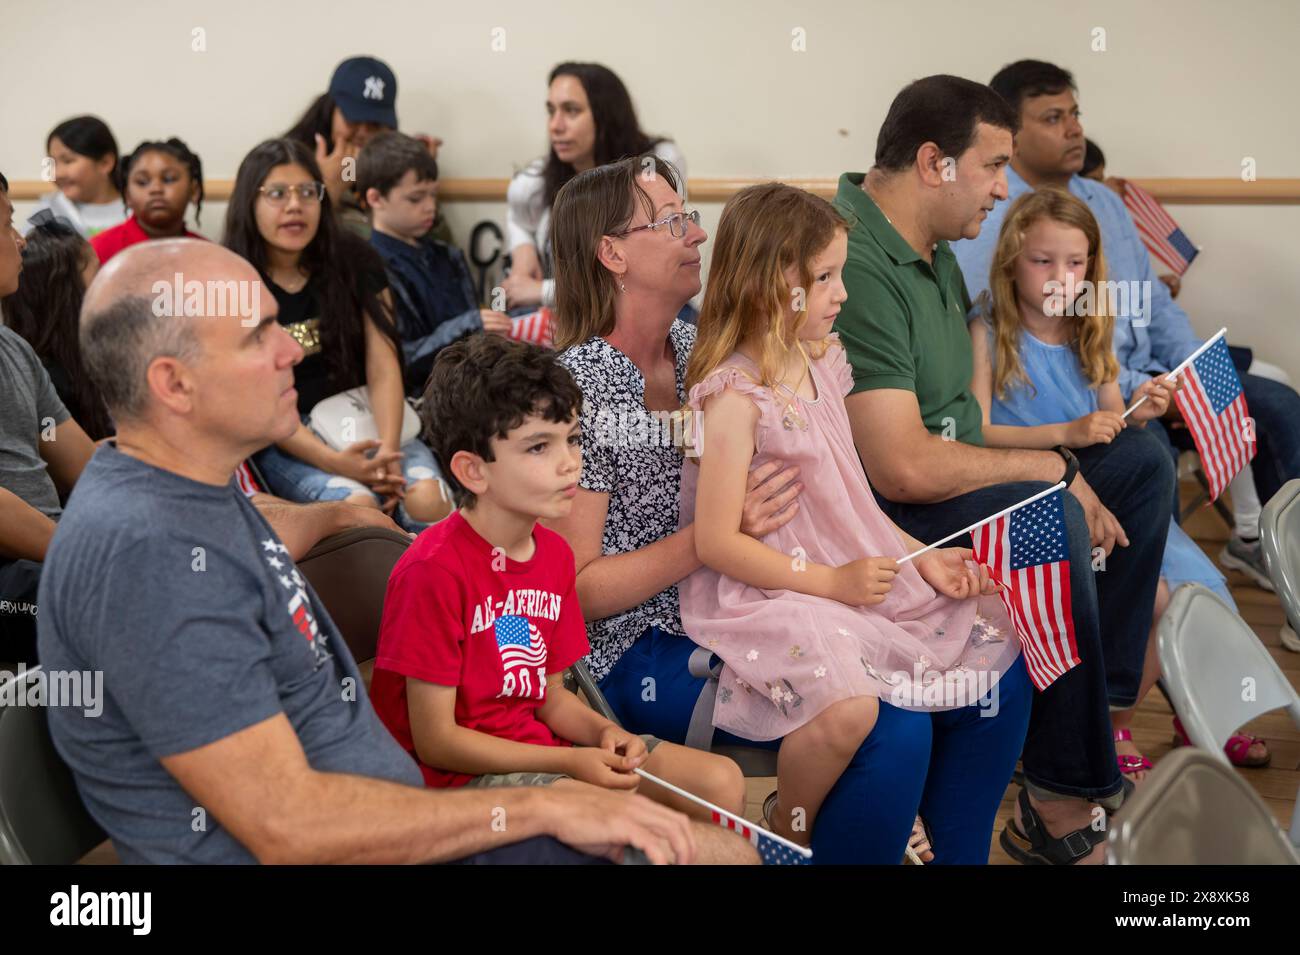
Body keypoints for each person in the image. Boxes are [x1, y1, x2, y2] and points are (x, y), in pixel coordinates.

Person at [38, 237, 718, 865]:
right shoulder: (149, 556)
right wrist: (543, 801)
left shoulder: (184, 487)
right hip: (371, 840)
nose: (293, 352)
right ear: (173, 384)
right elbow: (287, 825)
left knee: (710, 839)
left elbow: (256, 525)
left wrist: (341, 510)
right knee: (704, 852)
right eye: (256, 336)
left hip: (398, 820)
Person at [832, 75, 1175, 864]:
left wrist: (1054, 463)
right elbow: (902, 468)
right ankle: (1060, 790)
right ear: (933, 163)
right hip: (891, 519)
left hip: (959, 477)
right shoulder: (853, 260)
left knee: (1145, 463)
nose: (1001, 187)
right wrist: (1051, 466)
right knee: (1046, 512)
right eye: (992, 166)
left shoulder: (936, 254)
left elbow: (964, 422)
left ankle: (1100, 702)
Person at [679, 181, 1030, 862]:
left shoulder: (823, 365)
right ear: (768, 287)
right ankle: (793, 824)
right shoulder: (734, 399)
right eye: (826, 277)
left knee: (994, 619)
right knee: (850, 699)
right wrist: (833, 583)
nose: (842, 292)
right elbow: (716, 541)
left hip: (844, 568)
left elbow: (850, 502)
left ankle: (934, 830)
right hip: (773, 589)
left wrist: (916, 554)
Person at [369, 335, 753, 864]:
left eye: (573, 440)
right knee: (621, 819)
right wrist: (574, 767)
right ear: (472, 471)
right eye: (539, 447)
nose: (570, 463)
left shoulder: (551, 556)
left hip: (541, 751)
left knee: (720, 782)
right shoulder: (431, 572)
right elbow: (436, 742)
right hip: (457, 784)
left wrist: (605, 733)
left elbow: (547, 695)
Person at [954, 59, 1300, 600]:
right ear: (1013, 138)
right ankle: (1136, 589)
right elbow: (1023, 324)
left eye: (1074, 113)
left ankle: (1271, 555)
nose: (1074, 129)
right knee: (1147, 451)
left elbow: (1155, 302)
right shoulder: (992, 216)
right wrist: (1134, 396)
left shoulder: (1107, 205)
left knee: (1278, 404)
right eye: (1052, 118)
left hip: (1141, 377)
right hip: (1087, 396)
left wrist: (1188, 370)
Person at [967, 188, 1268, 775]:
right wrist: (1068, 431)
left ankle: (1121, 720)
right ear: (1010, 262)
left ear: (1093, 267)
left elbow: (1109, 424)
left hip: (1103, 485)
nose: (1061, 276)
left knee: (1190, 593)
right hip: (1030, 487)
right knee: (1152, 596)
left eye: (1075, 263)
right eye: (1043, 261)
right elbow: (975, 435)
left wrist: (1140, 410)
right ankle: (1103, 722)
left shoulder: (1089, 329)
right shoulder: (990, 330)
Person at [548, 156, 802, 749]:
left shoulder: (697, 353)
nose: (697, 233)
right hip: (631, 648)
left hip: (724, 608)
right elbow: (576, 591)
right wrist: (716, 532)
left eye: (686, 216)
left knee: (913, 689)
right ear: (612, 254)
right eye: (669, 223)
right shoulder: (580, 385)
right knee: (864, 716)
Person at [223, 138, 452, 530]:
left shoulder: (356, 259)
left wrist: (389, 455)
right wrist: (338, 463)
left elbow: (383, 367)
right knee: (358, 507)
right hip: (288, 435)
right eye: (277, 194)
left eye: (307, 192)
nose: (295, 205)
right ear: (249, 202)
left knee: (426, 498)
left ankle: (434, 591)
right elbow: (257, 404)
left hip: (369, 421)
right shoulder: (234, 282)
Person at [0, 173, 97, 663]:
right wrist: (80, 551)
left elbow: (84, 463)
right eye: (6, 225)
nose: (20, 240)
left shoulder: (14, 347)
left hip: (46, 558)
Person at [502, 62, 687, 311]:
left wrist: (542, 291)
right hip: (571, 320)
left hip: (648, 312)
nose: (555, 125)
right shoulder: (536, 178)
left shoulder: (657, 163)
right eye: (551, 111)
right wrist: (522, 249)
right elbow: (517, 215)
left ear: (605, 116)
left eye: (571, 110)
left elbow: (644, 276)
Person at [357, 131, 511, 395]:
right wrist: (466, 326)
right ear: (375, 199)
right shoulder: (370, 268)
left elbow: (476, 332)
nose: (430, 207)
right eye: (416, 198)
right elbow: (397, 360)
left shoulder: (447, 255)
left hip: (472, 389)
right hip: (420, 401)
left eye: (433, 195)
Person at [284, 55, 453, 245]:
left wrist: (418, 179)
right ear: (330, 111)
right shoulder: (289, 162)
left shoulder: (386, 164)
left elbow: (438, 247)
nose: (363, 133)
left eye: (374, 124)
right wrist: (327, 190)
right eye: (352, 120)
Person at [2, 211, 113, 439]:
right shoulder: (47, 377)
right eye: (97, 274)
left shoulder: (89, 356)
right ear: (67, 296)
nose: (107, 286)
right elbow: (67, 467)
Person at [90, 138, 205, 264]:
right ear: (127, 195)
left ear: (194, 191)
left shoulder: (208, 254)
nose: (156, 189)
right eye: (142, 182)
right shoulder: (98, 251)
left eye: (168, 179)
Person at [36, 115, 127, 239]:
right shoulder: (46, 214)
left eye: (68, 161)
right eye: (52, 163)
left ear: (105, 162)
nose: (57, 174)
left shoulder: (137, 212)